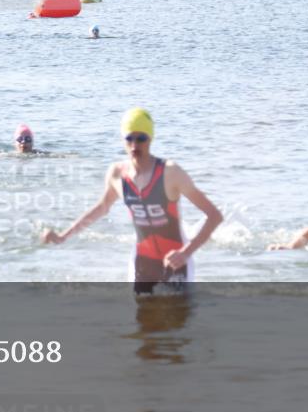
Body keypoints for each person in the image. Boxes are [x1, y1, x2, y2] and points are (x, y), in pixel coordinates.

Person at [42, 108, 224, 293]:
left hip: (177, 262)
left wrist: (186, 253)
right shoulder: (117, 174)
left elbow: (214, 216)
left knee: (178, 318)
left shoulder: (170, 173)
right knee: (142, 319)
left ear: (150, 139)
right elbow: (102, 207)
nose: (135, 145)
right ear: (123, 140)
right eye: (129, 138)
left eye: (141, 138)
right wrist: (63, 236)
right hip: (142, 261)